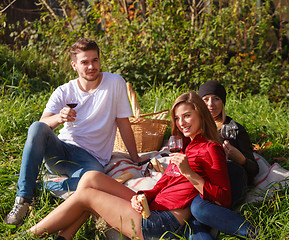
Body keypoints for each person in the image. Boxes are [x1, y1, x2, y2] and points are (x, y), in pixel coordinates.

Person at [19, 91, 235, 240]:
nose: (181, 123)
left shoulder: (211, 149)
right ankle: (64, 237)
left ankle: (27, 235)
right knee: (91, 178)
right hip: (153, 206)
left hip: (162, 223)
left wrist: (190, 174)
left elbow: (223, 198)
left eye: (187, 116)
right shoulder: (188, 146)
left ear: (200, 114)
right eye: (178, 118)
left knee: (87, 196)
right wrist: (143, 197)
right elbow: (164, 186)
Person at [4, 37, 143, 226]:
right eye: (84, 62)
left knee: (93, 184)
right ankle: (23, 199)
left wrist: (135, 158)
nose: (91, 66)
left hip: (91, 159)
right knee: (36, 127)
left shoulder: (114, 83)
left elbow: (123, 123)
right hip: (61, 150)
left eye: (95, 60)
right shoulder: (64, 91)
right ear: (74, 65)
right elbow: (43, 124)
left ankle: (41, 185)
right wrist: (59, 117)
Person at [188, 80, 260, 239]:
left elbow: (254, 168)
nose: (211, 104)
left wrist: (240, 159)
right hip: (203, 181)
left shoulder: (235, 129)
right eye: (205, 99)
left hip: (230, 177)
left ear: (223, 102)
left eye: (216, 99)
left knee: (198, 211)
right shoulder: (193, 128)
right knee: (192, 222)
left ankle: (251, 231)